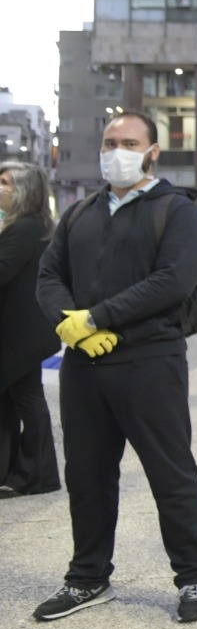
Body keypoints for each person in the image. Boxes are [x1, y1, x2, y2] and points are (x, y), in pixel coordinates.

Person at [33, 109, 197, 623]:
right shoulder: (80, 213)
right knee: (87, 475)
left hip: (149, 360)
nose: (117, 151)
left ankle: (195, 577)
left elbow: (174, 280)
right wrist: (69, 323)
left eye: (130, 141)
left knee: (170, 471)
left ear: (152, 150)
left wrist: (97, 317)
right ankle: (87, 578)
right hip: (84, 367)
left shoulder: (174, 210)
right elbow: (49, 275)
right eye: (110, 141)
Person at [0, 161, 61, 499]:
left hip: (20, 335)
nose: (1, 187)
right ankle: (21, 472)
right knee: (16, 399)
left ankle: (36, 474)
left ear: (22, 190)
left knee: (26, 399)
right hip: (21, 332)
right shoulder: (28, 226)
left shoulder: (24, 228)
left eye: (5, 182)